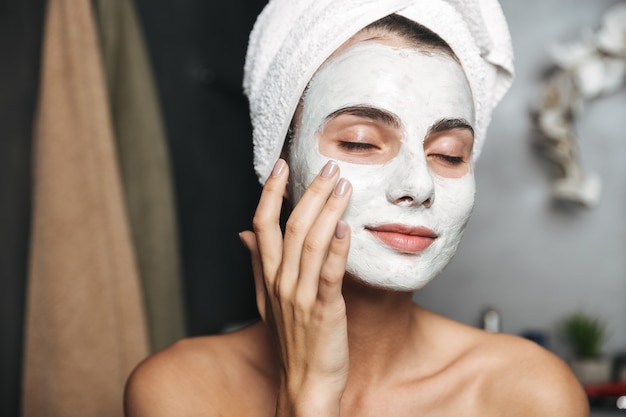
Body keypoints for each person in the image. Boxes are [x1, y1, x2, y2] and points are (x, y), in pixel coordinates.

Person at [124, 1, 590, 416]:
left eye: (449, 153)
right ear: (277, 167)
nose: (417, 185)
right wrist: (308, 393)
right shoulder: (179, 392)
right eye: (360, 142)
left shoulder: (529, 395)